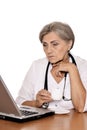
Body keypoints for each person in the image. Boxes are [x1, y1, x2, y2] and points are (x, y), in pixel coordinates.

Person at [16, 21, 87, 113]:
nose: (48, 50)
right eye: (45, 45)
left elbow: (81, 107)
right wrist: (36, 103)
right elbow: (20, 102)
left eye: (55, 44)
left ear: (69, 44)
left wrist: (72, 69)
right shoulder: (37, 66)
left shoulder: (83, 66)